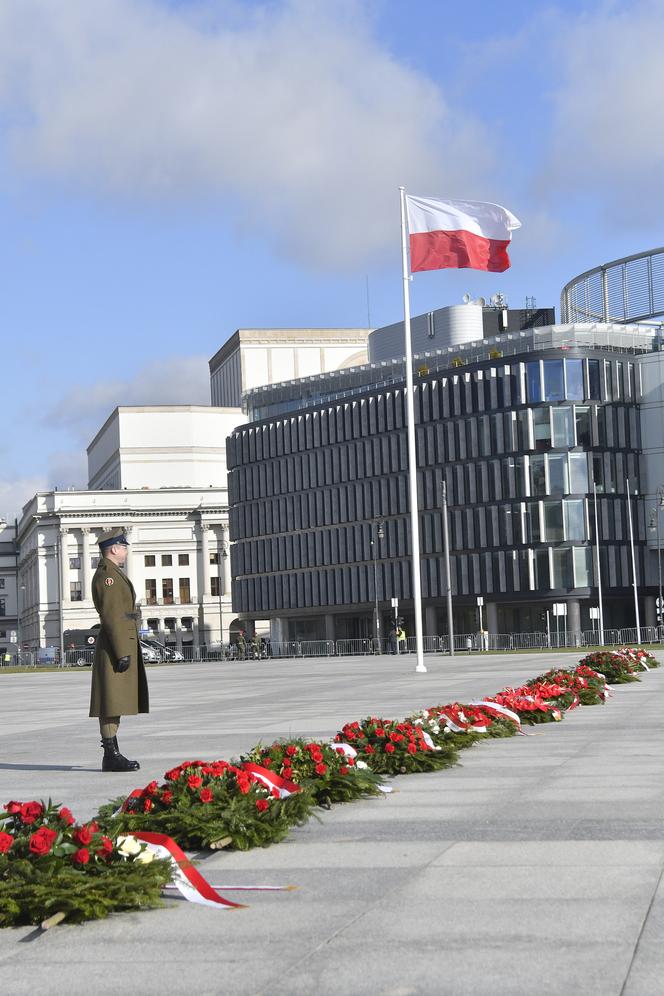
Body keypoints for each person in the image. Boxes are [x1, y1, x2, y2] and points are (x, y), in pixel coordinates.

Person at [89, 529, 149, 772]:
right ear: (113, 549)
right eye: (123, 546)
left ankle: (112, 753)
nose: (126, 550)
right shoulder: (108, 577)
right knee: (111, 703)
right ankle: (111, 755)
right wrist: (122, 650)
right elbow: (112, 616)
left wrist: (137, 617)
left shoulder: (113, 574)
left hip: (119, 644)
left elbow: (124, 612)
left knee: (114, 702)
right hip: (115, 647)